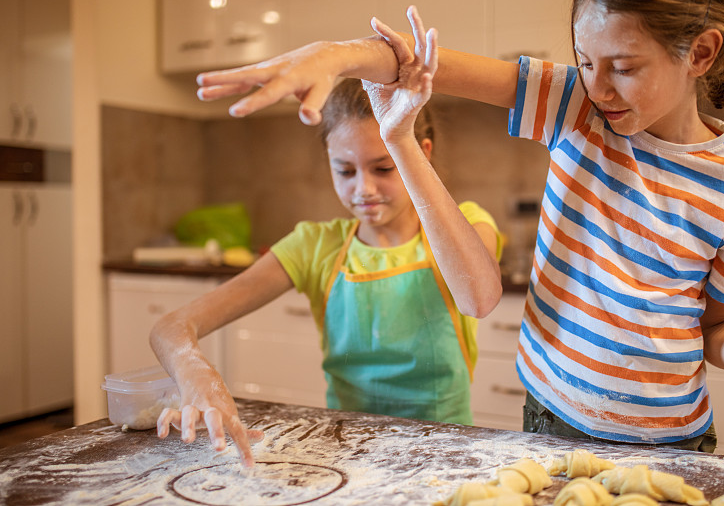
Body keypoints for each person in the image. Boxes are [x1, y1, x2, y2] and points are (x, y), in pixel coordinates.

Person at [195, 0, 724, 454]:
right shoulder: (574, 108)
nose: (600, 87)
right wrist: (334, 55)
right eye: (586, 62)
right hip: (551, 418)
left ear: (700, 52)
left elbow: (720, 331)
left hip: (672, 440)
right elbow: (418, 68)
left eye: (623, 66)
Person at [150, 38, 504, 466]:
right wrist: (195, 374)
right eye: (345, 170)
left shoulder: (465, 224)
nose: (364, 189)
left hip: (445, 448)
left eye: (384, 167)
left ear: (419, 154)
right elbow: (170, 328)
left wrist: (401, 142)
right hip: (345, 452)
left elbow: (480, 296)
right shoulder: (316, 246)